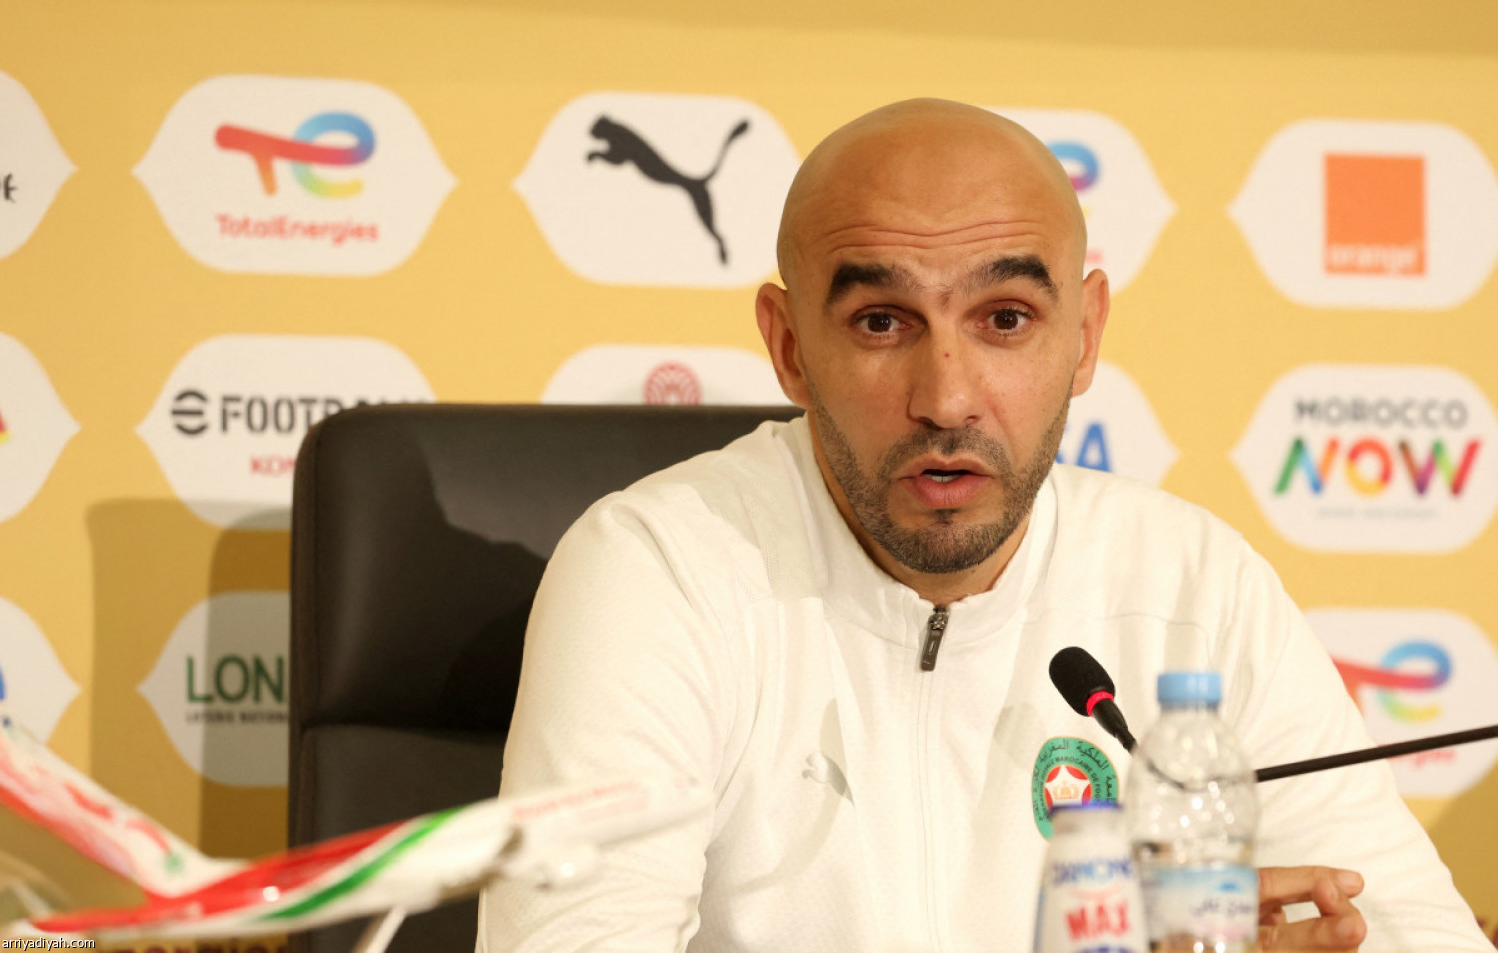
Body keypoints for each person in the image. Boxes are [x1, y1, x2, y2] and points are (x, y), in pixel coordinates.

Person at [477, 99, 1488, 952]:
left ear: (1084, 336)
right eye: (882, 322)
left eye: (1005, 318)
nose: (947, 398)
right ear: (788, 348)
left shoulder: (1194, 585)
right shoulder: (662, 569)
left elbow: (1410, 927)